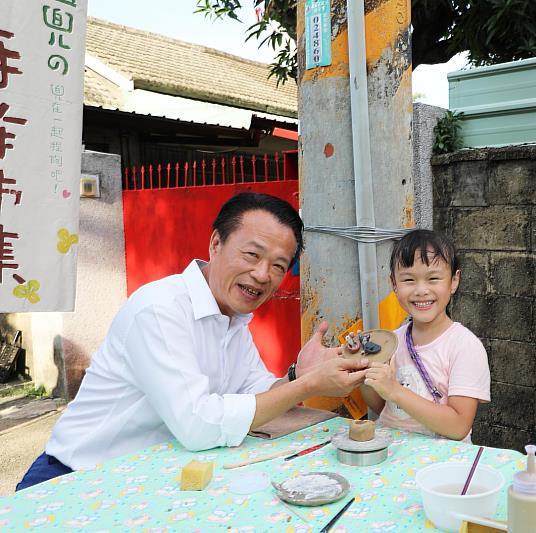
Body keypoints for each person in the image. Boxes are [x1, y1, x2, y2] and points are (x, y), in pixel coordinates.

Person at [17, 192, 369, 491]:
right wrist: (307, 385)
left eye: (279, 265)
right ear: (216, 243)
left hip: (148, 480)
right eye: (252, 255)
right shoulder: (160, 309)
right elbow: (198, 425)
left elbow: (254, 399)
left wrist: (295, 377)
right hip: (76, 477)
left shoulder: (232, 317)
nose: (263, 275)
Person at [360, 229, 490, 441]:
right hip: (392, 454)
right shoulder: (391, 341)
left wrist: (394, 390)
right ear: (394, 283)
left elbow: (459, 427)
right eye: (409, 280)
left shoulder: (464, 346)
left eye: (433, 278)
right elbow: (384, 406)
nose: (421, 290)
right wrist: (363, 374)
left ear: (454, 281)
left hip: (442, 462)